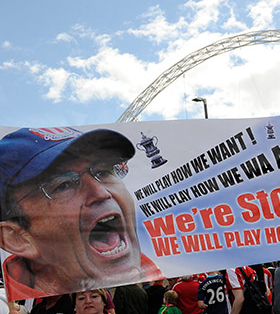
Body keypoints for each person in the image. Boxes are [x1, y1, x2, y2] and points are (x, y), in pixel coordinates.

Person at [0, 127, 163, 301]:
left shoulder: (152, 275)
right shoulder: (21, 312)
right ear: (17, 238)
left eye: (103, 172)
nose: (101, 193)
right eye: (63, 185)